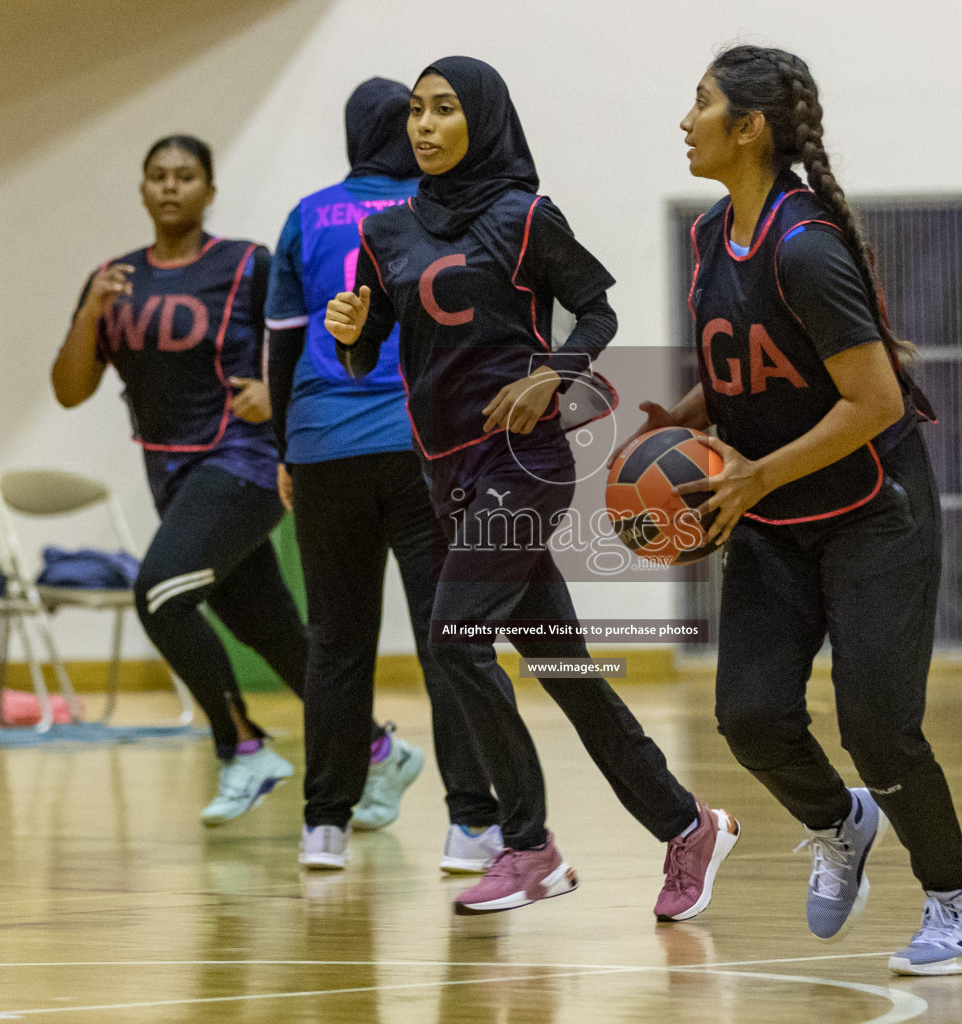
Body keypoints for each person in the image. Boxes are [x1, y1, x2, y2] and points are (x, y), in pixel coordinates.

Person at [324, 56, 738, 919]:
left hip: (525, 464)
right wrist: (354, 335)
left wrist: (554, 373)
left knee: (453, 639)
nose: (425, 126)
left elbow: (598, 310)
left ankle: (528, 847)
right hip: (445, 475)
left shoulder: (524, 217)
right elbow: (368, 354)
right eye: (415, 113)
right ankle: (687, 824)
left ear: (483, 119)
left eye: (444, 110)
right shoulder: (385, 234)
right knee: (565, 667)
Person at [629, 45, 962, 974]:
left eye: (702, 103)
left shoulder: (805, 246)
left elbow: (873, 402)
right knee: (751, 715)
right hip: (780, 514)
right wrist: (680, 421)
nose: (686, 119)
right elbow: (750, 364)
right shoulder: (711, 234)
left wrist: (752, 476)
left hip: (877, 512)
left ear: (749, 128)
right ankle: (842, 823)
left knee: (879, 728)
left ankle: (956, 899)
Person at [265, 78, 503, 872]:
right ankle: (472, 825)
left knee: (335, 642)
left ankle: (324, 826)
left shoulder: (306, 215)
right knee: (450, 639)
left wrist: (282, 451)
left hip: (322, 447)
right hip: (423, 451)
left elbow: (283, 344)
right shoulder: (444, 211)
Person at [52, 135, 308, 826]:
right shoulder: (114, 278)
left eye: (185, 176)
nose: (170, 187)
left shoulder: (247, 264)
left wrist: (275, 397)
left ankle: (243, 748)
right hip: (174, 476)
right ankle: (376, 750)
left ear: (209, 190)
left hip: (245, 462)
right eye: (157, 176)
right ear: (142, 190)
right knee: (272, 630)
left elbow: (307, 340)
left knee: (160, 594)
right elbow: (69, 391)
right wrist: (88, 315)